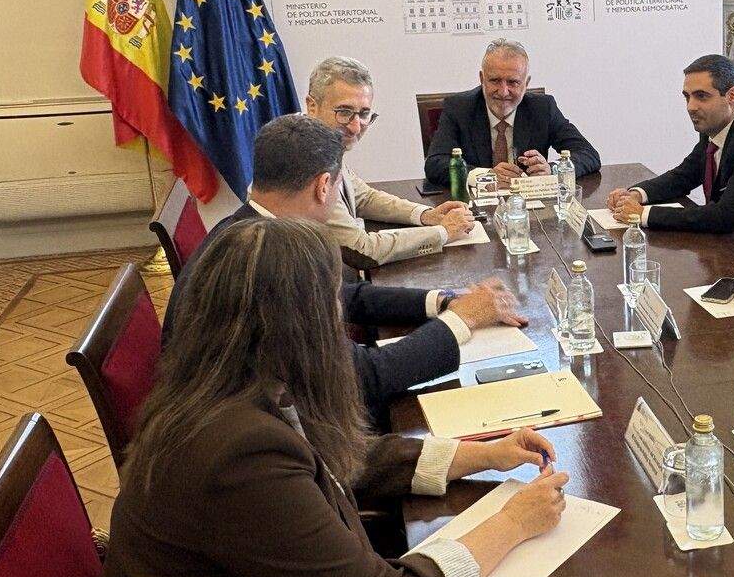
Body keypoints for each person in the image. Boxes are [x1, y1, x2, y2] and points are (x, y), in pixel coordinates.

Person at [77, 217, 570, 577]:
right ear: (299, 326)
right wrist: (513, 522)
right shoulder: (236, 452)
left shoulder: (222, 389)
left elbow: (328, 460)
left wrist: (483, 454)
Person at [164, 115, 525, 430]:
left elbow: (343, 294)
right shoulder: (271, 265)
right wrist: (461, 321)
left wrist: (443, 301)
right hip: (267, 440)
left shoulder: (246, 227)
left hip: (226, 412)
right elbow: (360, 376)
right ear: (324, 187)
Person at [607, 54, 734, 245]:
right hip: (732, 242)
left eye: (701, 96)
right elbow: (683, 176)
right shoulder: (717, 128)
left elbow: (725, 215)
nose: (691, 106)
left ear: (732, 96)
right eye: (687, 97)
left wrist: (643, 214)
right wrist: (635, 194)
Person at [305, 55, 473, 267]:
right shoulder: (307, 158)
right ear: (312, 106)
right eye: (344, 112)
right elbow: (362, 250)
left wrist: (426, 215)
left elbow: (363, 198)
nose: (356, 127)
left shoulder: (321, 143)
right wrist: (443, 232)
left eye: (364, 113)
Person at [423, 38, 600, 187]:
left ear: (526, 83)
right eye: (495, 80)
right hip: (474, 208)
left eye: (513, 82)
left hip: (530, 206)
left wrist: (553, 170)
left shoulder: (542, 108)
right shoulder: (459, 108)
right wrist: (486, 176)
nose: (503, 92)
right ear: (482, 79)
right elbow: (435, 164)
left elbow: (588, 154)